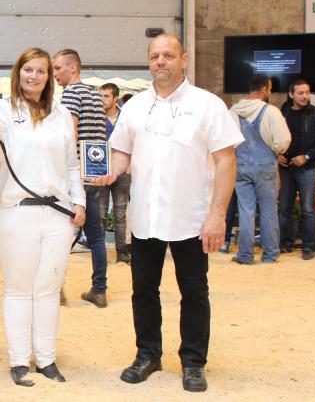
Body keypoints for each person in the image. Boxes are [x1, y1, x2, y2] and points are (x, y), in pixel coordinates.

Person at [95, 33, 243, 392]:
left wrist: (217, 214)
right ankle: (148, 355)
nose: (160, 61)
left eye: (168, 55)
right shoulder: (135, 107)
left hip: (192, 219)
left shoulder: (208, 105)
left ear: (184, 59)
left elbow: (226, 161)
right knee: (143, 289)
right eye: (154, 56)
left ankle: (193, 362)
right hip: (145, 218)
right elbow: (122, 153)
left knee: (194, 291)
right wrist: (109, 170)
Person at [0, 47, 86, 386]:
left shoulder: (61, 114)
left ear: (49, 77)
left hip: (57, 214)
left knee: (48, 288)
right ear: (18, 72)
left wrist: (79, 202)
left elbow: (72, 164)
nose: (34, 76)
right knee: (18, 288)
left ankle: (46, 358)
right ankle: (18, 359)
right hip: (15, 213)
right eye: (28, 69)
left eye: (41, 71)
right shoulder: (3, 111)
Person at [53, 48, 108, 307]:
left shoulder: (72, 93)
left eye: (57, 68)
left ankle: (57, 289)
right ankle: (99, 290)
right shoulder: (96, 95)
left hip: (75, 176)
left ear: (72, 68)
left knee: (62, 234)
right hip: (95, 171)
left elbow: (70, 132)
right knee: (96, 237)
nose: (54, 74)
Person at [229, 75, 291, 264]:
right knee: (269, 210)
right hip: (265, 167)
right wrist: (276, 150)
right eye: (270, 89)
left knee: (245, 210)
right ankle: (270, 254)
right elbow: (283, 141)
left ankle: (245, 255)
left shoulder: (234, 111)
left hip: (241, 165)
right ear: (264, 89)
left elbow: (228, 141)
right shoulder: (271, 112)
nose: (270, 92)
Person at [278, 79, 315, 259]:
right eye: (301, 93)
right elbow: (275, 136)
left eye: (307, 92)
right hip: (286, 168)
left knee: (308, 209)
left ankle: (308, 248)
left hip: (307, 169)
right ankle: (286, 244)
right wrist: (277, 153)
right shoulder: (283, 111)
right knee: (285, 208)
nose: (305, 96)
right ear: (291, 94)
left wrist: (307, 157)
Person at [99, 82, 131, 264]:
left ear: (115, 98)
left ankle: (122, 252)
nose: (102, 100)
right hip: (102, 170)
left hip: (123, 172)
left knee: (120, 214)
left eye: (106, 96)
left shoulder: (126, 117)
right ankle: (100, 253)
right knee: (101, 214)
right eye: (100, 96)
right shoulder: (96, 116)